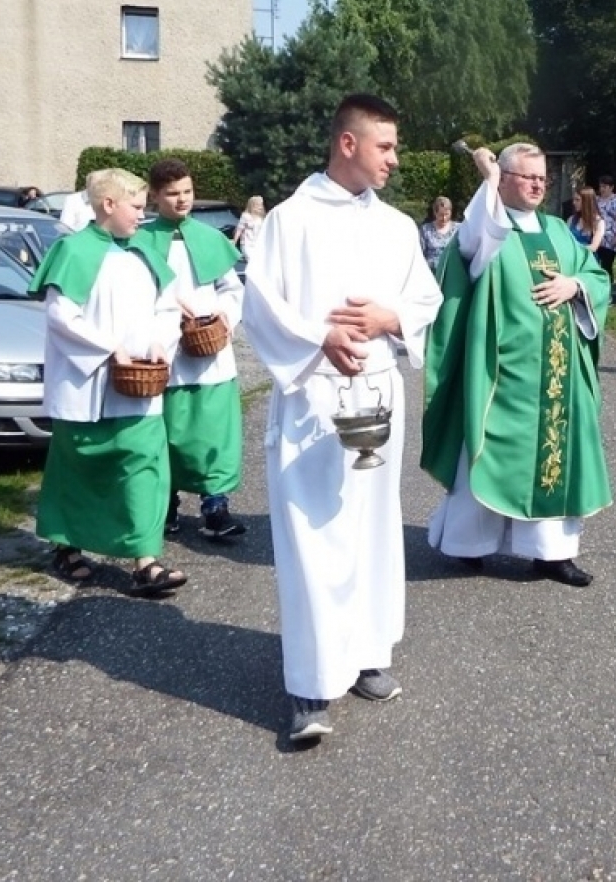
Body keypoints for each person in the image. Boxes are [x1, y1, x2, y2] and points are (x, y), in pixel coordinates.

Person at [240, 93, 444, 743]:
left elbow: (424, 297)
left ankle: (366, 655)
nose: (394, 158)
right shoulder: (289, 220)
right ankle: (309, 684)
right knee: (312, 537)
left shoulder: (395, 226)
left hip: (377, 396)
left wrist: (392, 319)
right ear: (347, 145)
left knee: (372, 527)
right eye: (385, 146)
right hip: (313, 401)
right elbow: (259, 306)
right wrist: (315, 339)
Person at [422, 142, 613, 589]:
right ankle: (468, 544)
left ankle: (551, 554)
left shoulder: (557, 231)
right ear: (504, 179)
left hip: (559, 375)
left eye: (542, 178)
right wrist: (485, 180)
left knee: (555, 456)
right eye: (527, 176)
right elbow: (469, 242)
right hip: (501, 375)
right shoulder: (490, 230)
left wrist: (575, 285)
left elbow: (596, 274)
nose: (537, 185)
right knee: (486, 455)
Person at [29, 168, 186, 597]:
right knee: (79, 471)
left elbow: (168, 308)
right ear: (108, 205)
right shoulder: (73, 250)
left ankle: (146, 561)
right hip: (88, 387)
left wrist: (159, 342)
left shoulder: (144, 251)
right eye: (136, 206)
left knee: (146, 467)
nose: (143, 213)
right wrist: (107, 348)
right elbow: (62, 316)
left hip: (140, 386)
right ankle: (68, 546)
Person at [133, 157, 247, 543]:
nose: (182, 201)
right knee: (165, 431)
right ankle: (165, 504)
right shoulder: (141, 240)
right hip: (163, 353)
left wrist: (225, 315)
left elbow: (233, 289)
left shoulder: (210, 237)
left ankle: (215, 506)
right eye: (172, 194)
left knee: (213, 431)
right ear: (154, 196)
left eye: (187, 192)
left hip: (210, 353)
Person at [594, 174, 616, 281]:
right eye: (601, 186)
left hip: (611, 237)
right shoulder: (597, 200)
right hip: (598, 237)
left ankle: (608, 288)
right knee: (597, 264)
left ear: (611, 187)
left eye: (605, 186)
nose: (602, 189)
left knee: (606, 265)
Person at [419, 195, 459, 274]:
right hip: (431, 273)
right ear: (435, 213)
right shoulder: (425, 229)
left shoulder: (458, 229)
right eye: (441, 215)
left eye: (447, 214)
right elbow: (420, 254)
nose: (444, 218)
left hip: (452, 272)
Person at [567, 187, 604, 253]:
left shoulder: (598, 222)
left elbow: (593, 247)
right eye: (574, 200)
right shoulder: (571, 219)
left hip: (588, 259)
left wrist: (574, 248)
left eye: (577, 200)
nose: (574, 203)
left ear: (586, 202)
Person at [231, 195, 266, 265]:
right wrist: (234, 242)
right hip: (247, 244)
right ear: (252, 206)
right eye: (258, 205)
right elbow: (239, 230)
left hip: (258, 244)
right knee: (252, 262)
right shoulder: (246, 216)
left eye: (261, 205)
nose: (260, 207)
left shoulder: (261, 217)